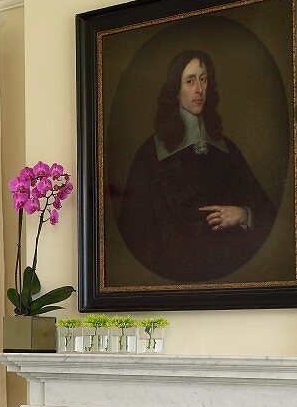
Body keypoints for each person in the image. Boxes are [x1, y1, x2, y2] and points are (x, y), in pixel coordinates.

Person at [116, 49, 277, 282]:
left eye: (203, 79)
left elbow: (266, 211)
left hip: (230, 273)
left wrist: (243, 214)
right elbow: (136, 230)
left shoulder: (227, 149)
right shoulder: (151, 154)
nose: (199, 89)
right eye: (190, 81)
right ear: (175, 90)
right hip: (175, 278)